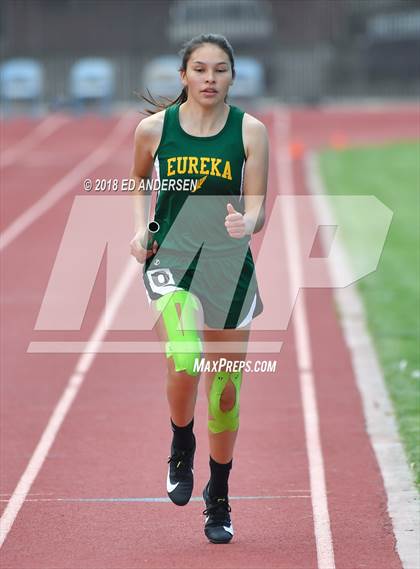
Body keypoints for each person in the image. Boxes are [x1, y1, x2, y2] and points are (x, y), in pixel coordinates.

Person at [129, 34, 268, 544]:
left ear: (233, 77)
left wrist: (247, 221)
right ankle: (180, 442)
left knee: (225, 393)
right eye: (201, 69)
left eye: (221, 70)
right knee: (185, 356)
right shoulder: (153, 130)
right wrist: (141, 228)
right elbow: (137, 181)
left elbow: (259, 205)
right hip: (173, 260)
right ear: (184, 75)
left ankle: (220, 496)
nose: (211, 79)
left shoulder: (251, 132)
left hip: (230, 267)